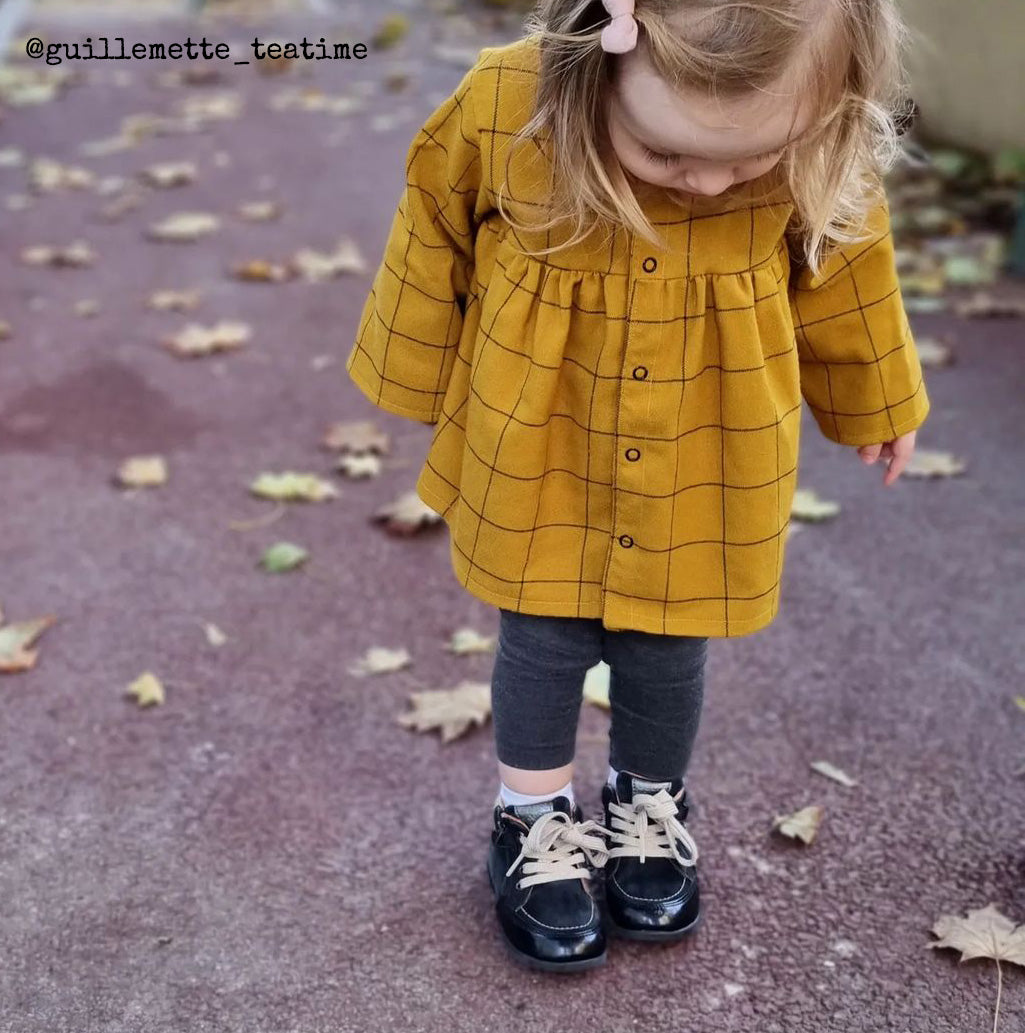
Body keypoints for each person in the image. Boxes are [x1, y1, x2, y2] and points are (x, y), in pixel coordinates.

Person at [345, 0, 931, 973]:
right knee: (542, 628)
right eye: (666, 156)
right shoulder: (507, 102)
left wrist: (878, 394)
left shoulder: (814, 127)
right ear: (596, 59)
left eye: (745, 162)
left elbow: (846, 264)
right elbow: (431, 226)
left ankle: (645, 803)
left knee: (669, 635)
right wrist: (414, 371)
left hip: (707, 440)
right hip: (540, 432)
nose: (707, 182)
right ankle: (531, 817)